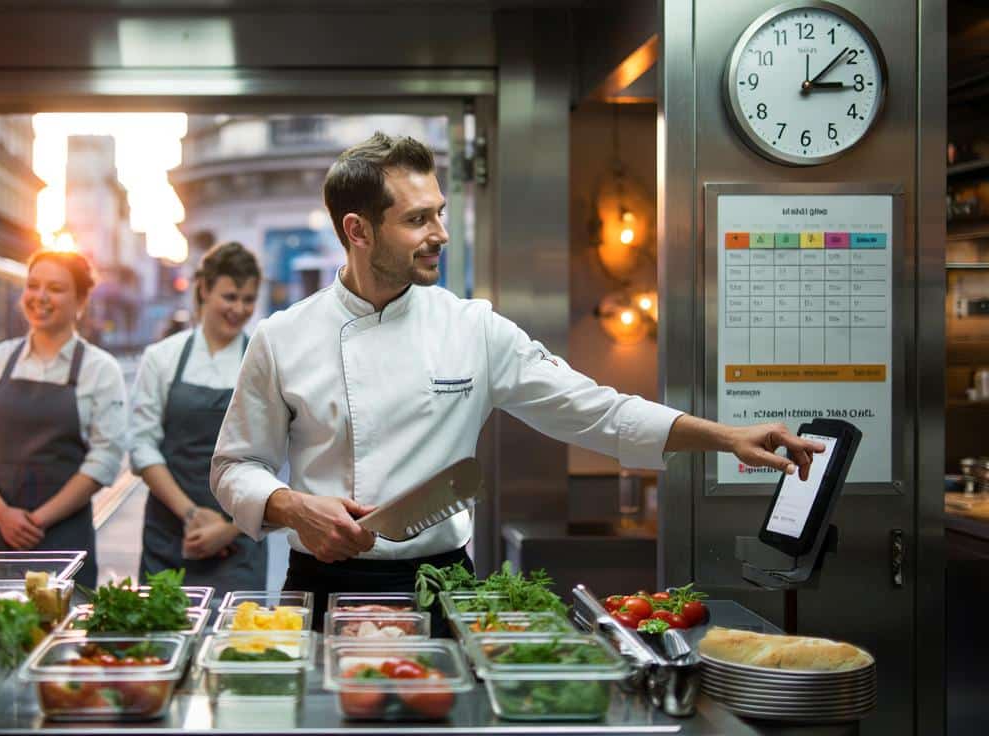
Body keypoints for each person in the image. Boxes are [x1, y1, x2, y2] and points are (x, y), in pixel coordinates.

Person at [211, 132, 824, 630]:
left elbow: (596, 412)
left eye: (441, 214)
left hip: (441, 587)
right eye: (418, 219)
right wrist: (292, 507)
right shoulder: (282, 337)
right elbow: (233, 467)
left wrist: (724, 437)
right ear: (358, 231)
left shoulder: (473, 327)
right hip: (323, 588)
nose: (441, 235)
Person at [0, 249, 127, 588]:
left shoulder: (100, 370)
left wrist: (37, 521)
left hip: (63, 540)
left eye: (56, 289)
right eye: (33, 286)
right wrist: (2, 514)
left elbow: (104, 459)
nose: (40, 297)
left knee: (59, 637)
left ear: (81, 300)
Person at [128, 243, 268, 591]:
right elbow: (142, 448)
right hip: (170, 538)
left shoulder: (262, 363)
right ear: (204, 289)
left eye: (248, 299)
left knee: (235, 643)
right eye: (230, 296)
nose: (239, 309)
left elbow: (274, 462)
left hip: (239, 542)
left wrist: (229, 528)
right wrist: (190, 514)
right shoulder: (163, 358)